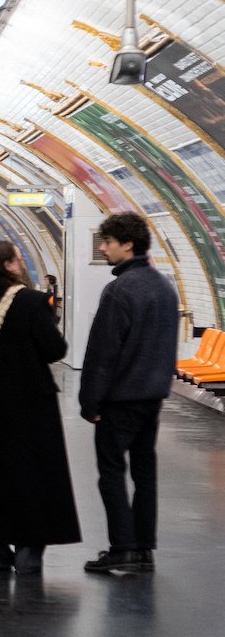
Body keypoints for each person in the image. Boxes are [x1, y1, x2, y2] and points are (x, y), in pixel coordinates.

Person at [0, 239, 80, 574]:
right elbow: (54, 350)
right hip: (31, 401)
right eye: (18, 259)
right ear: (10, 264)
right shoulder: (31, 301)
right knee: (33, 476)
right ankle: (28, 553)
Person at [79, 213, 179, 575]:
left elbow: (103, 353)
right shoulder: (166, 287)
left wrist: (90, 402)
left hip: (119, 400)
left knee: (111, 471)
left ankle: (122, 548)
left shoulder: (120, 290)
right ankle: (143, 550)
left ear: (128, 244)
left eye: (107, 242)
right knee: (144, 472)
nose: (103, 247)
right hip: (152, 397)